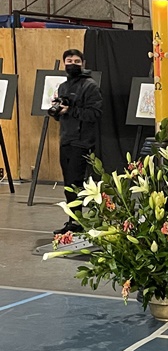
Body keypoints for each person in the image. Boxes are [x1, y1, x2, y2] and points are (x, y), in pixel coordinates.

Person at [52, 49, 102, 235]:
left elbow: (95, 114)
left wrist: (71, 110)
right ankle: (73, 220)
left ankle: (77, 222)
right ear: (64, 63)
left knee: (75, 183)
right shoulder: (63, 87)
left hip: (82, 142)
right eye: (69, 61)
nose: (72, 64)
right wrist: (58, 110)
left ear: (83, 63)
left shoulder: (90, 86)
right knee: (68, 184)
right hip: (66, 139)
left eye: (76, 61)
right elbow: (61, 117)